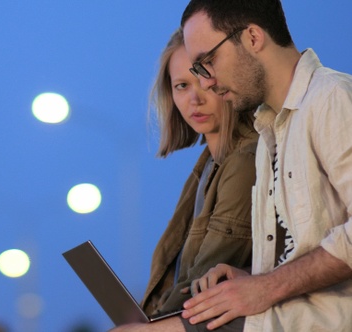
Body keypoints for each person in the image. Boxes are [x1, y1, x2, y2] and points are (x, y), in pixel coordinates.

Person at [177, 0, 352, 331]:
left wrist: (266, 287)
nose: (207, 82)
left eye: (207, 62)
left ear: (253, 37)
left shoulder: (331, 98)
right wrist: (251, 280)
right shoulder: (270, 130)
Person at [111, 29, 258, 332]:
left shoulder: (247, 160)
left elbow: (205, 285)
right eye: (181, 85)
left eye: (204, 79)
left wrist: (151, 328)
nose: (195, 98)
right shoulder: (205, 168)